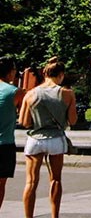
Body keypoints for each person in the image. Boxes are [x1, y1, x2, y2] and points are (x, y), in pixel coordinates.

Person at [19, 57, 77, 218]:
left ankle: (28, 216)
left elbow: (24, 122)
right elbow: (72, 120)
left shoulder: (30, 94)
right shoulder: (67, 93)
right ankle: (54, 215)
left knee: (31, 182)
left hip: (35, 139)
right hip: (56, 139)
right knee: (56, 179)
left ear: (45, 73)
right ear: (61, 75)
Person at [0, 56, 25, 211]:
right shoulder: (15, 92)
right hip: (5, 143)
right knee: (1, 183)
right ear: (10, 73)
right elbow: (25, 118)